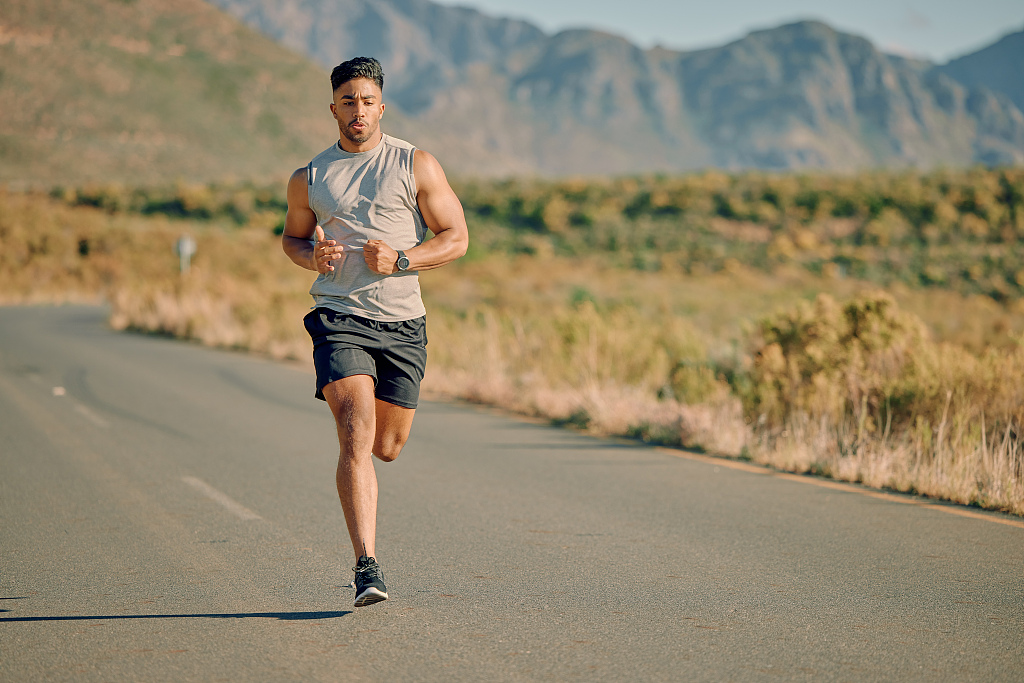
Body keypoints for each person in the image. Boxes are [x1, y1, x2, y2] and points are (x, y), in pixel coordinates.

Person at [282, 57, 468, 607]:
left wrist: (404, 260)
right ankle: (367, 565)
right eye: (347, 101)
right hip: (339, 316)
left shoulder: (416, 164)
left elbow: (455, 236)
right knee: (355, 431)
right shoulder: (309, 177)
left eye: (366, 101)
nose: (357, 111)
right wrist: (311, 255)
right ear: (333, 108)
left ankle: (367, 550)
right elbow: (290, 240)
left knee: (386, 446)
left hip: (403, 322)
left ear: (380, 107)